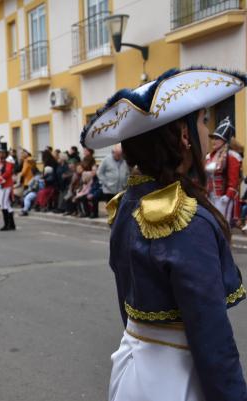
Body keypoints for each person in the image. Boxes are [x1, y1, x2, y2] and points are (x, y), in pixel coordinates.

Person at [81, 67, 247, 401]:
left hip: (133, 372)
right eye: (202, 121)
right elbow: (211, 339)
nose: (208, 131)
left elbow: (127, 305)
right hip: (178, 380)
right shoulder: (185, 218)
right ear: (184, 136)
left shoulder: (127, 203)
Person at [205, 116, 242, 226]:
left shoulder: (231, 156)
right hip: (210, 196)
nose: (214, 141)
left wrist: (227, 196)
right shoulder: (210, 156)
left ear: (224, 140)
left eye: (217, 138)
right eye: (213, 138)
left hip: (223, 198)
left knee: (222, 224)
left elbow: (234, 180)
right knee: (212, 224)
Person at [0, 137, 16, 231]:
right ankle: (11, 224)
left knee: (4, 204)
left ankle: (7, 224)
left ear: (4, 152)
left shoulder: (9, 160)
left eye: (1, 152)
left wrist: (1, 178)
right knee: (7, 205)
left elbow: (8, 172)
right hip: (3, 185)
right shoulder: (2, 160)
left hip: (7, 185)